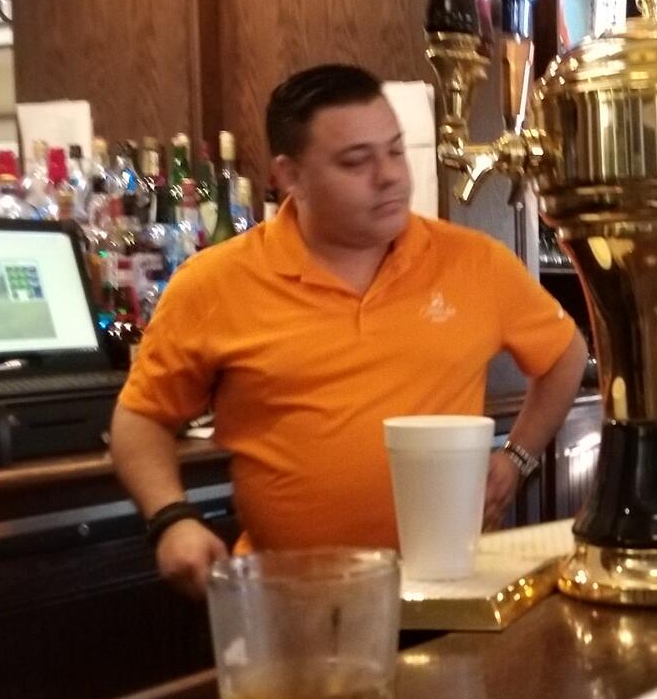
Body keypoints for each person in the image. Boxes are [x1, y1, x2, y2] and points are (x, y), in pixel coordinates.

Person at [111, 64, 588, 598]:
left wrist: (517, 458)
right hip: (290, 600)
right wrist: (171, 519)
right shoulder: (214, 283)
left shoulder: (474, 262)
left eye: (394, 150)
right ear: (290, 176)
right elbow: (140, 419)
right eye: (356, 161)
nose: (388, 176)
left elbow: (566, 354)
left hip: (449, 593)